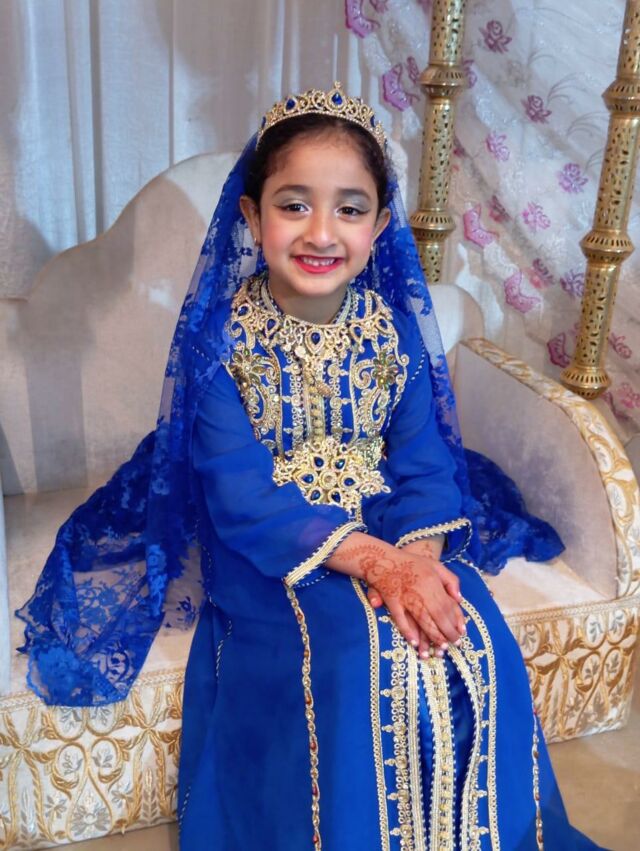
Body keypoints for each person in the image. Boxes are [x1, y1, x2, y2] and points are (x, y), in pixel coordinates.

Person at [17, 84, 605, 850]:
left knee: (474, 636)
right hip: (273, 543)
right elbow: (241, 493)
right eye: (294, 205)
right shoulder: (221, 343)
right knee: (354, 649)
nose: (321, 231)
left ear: (380, 226)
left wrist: (417, 563)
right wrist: (376, 565)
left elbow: (425, 462)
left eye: (349, 208)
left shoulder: (393, 333)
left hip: (387, 519)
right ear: (252, 215)